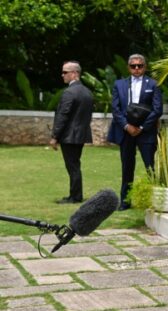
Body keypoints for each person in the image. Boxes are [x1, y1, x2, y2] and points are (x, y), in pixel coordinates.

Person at [108, 54, 162, 210]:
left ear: (145, 67)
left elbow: (157, 109)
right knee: (127, 167)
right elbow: (116, 109)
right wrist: (127, 126)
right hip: (126, 132)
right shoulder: (119, 85)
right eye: (133, 66)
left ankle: (156, 199)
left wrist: (142, 127)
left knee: (150, 167)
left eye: (140, 65)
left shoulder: (153, 84)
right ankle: (125, 201)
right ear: (128, 67)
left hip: (146, 132)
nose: (137, 68)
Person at [49, 61, 93, 204]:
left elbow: (63, 116)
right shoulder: (87, 92)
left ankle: (75, 196)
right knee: (75, 165)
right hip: (80, 135)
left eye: (65, 72)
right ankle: (75, 194)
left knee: (72, 166)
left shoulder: (69, 92)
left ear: (74, 73)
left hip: (69, 136)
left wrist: (55, 136)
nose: (62, 75)